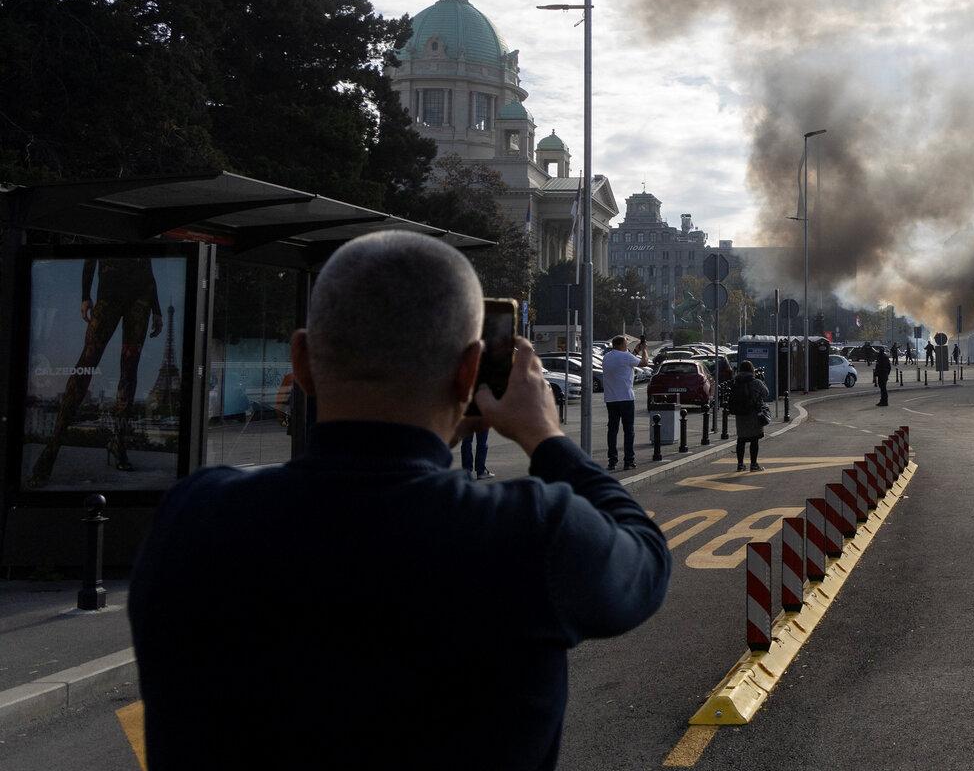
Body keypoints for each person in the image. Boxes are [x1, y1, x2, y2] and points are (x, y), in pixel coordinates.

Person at [129, 231, 669, 771]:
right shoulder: (528, 532)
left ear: (303, 361)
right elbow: (644, 561)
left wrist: (442, 422)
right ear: (468, 373)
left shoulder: (194, 518)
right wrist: (546, 437)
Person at [29, 257, 164, 485]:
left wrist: (157, 308)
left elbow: (146, 265)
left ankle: (115, 443)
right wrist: (85, 294)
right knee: (89, 365)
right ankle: (53, 448)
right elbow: (95, 254)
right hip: (115, 293)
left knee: (126, 371)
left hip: (138, 295)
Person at [602, 334, 650, 471]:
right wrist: (644, 350)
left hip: (611, 399)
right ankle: (628, 461)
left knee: (612, 430)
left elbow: (626, 360)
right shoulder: (625, 356)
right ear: (621, 345)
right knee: (628, 430)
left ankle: (612, 461)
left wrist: (636, 351)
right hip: (626, 398)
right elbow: (644, 363)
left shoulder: (607, 356)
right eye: (626, 344)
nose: (627, 346)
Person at [730, 360, 769, 471]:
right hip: (753, 414)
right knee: (754, 440)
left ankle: (740, 464)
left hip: (740, 415)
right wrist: (761, 380)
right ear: (751, 369)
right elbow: (766, 393)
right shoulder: (756, 382)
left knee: (741, 439)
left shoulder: (736, 381)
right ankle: (753, 464)